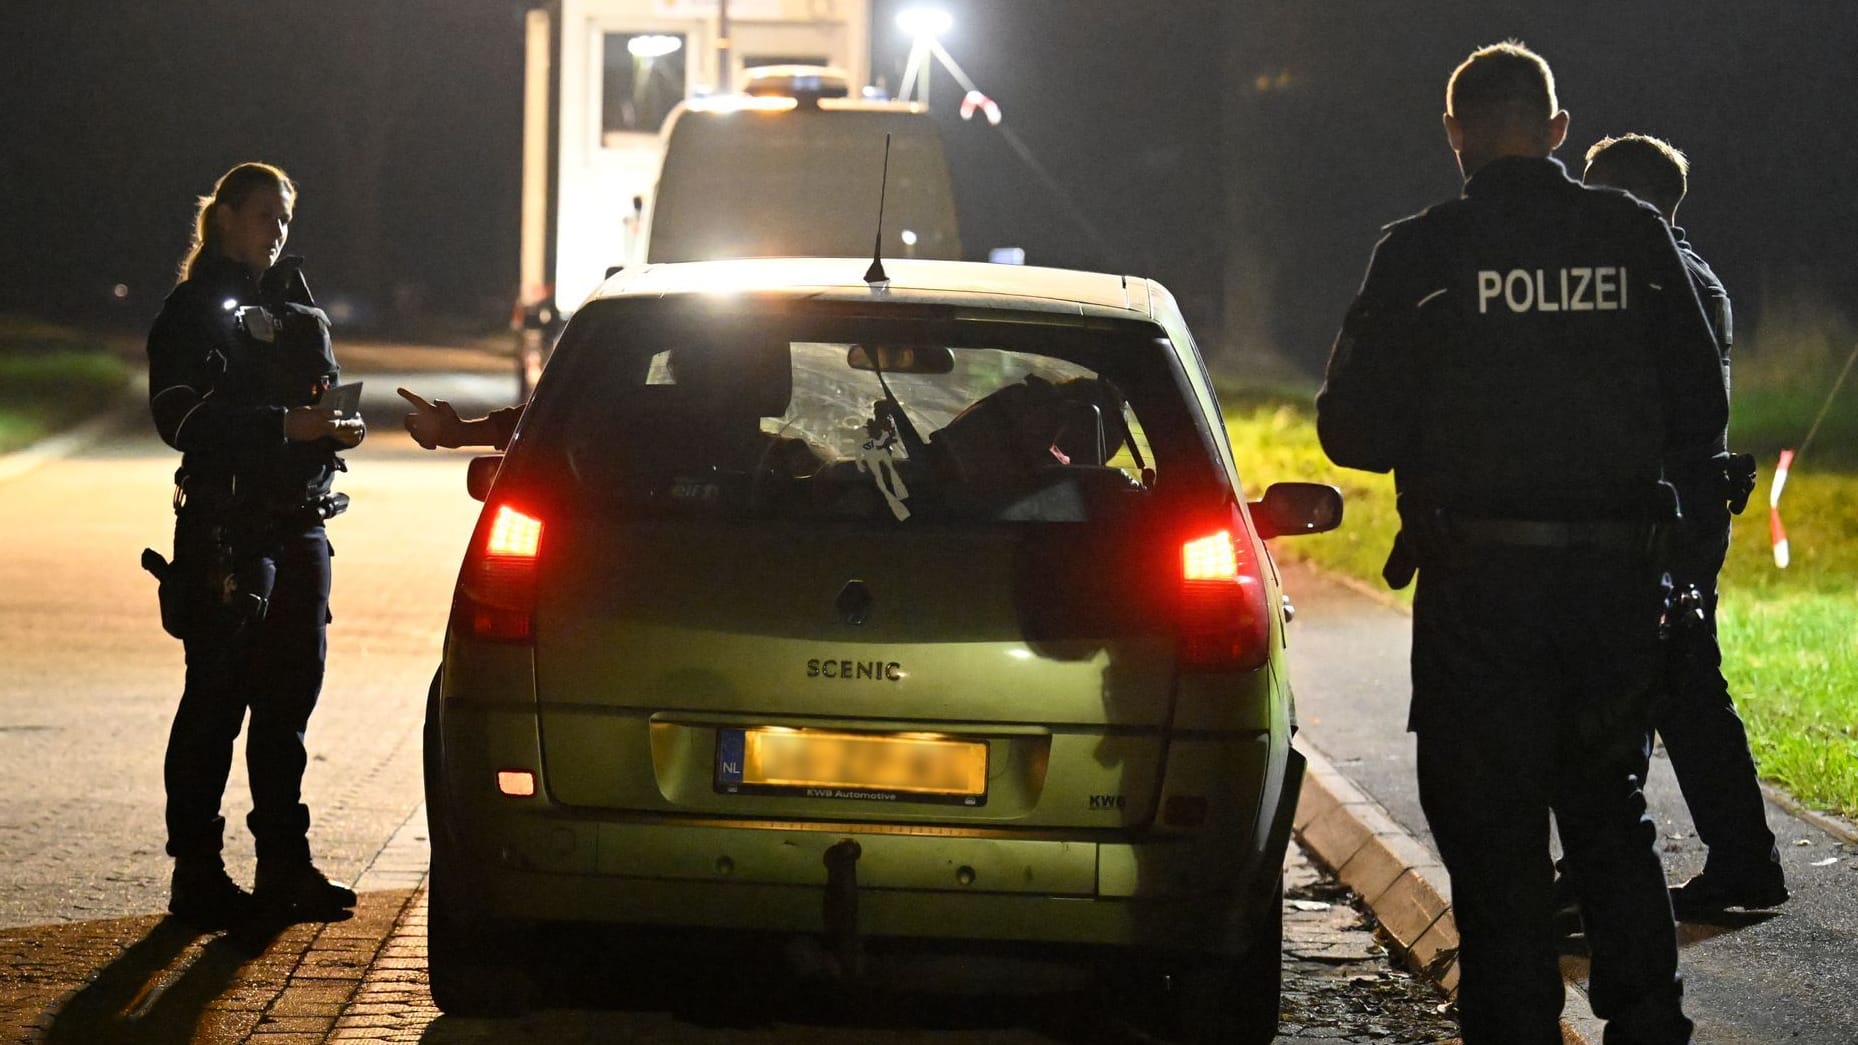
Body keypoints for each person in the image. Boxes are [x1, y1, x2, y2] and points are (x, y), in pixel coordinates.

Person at [1315, 43, 1726, 1045]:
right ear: (1556, 131)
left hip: (1478, 586)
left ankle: (1511, 1027)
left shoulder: (1421, 252)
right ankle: (1646, 1020)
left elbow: (1349, 432)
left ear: (1453, 134)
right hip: (1610, 584)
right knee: (1606, 808)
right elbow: (1701, 402)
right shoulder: (1632, 234)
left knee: (1492, 826)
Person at [147, 162, 365, 927]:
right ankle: (197, 874)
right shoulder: (193, 308)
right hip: (227, 527)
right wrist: (281, 425)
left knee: (288, 702)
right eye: (266, 214)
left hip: (301, 523)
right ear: (227, 215)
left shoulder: (296, 302)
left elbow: (321, 395)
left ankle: (285, 866)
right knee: (216, 701)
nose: (278, 229)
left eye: (287, 217)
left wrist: (336, 426)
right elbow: (178, 417)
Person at [1581, 134, 1786, 916]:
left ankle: (1743, 862)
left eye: (1598, 194)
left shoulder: (1667, 283)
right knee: (1661, 684)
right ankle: (1714, 860)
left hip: (1667, 513)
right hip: (1682, 507)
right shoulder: (1687, 275)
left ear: (1632, 200)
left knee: (1680, 686)